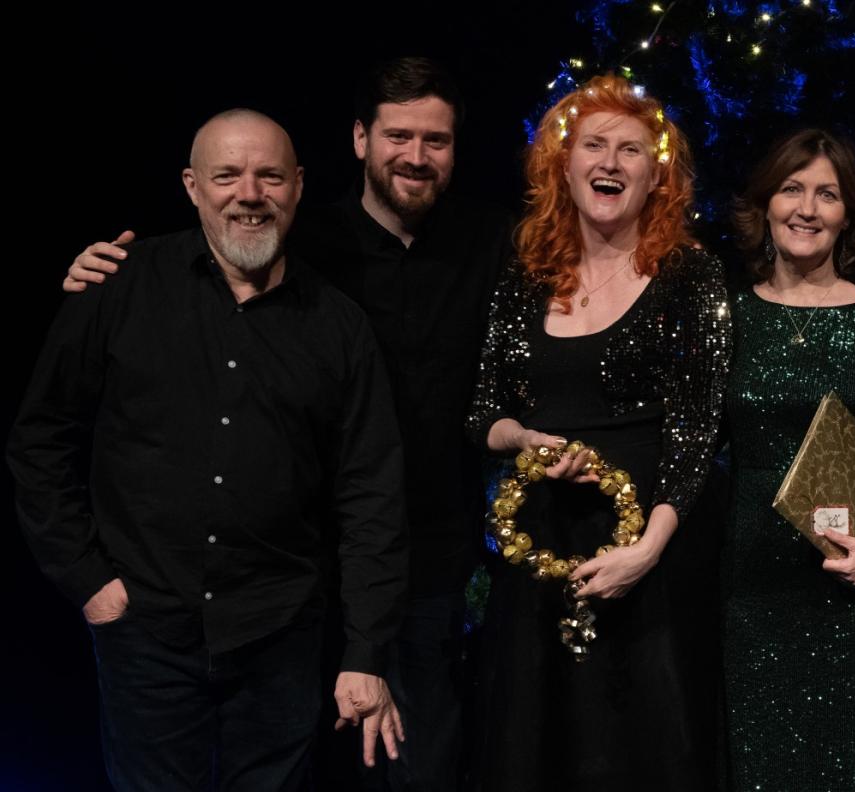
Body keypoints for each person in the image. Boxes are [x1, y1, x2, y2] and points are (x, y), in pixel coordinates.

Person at [61, 57, 510, 791]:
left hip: (422, 560)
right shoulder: (298, 238)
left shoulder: (494, 245)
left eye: (438, 140)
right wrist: (95, 274)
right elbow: (201, 259)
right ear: (361, 139)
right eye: (400, 136)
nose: (417, 156)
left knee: (416, 766)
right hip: (289, 575)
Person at [9, 109, 407, 791]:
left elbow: (370, 491)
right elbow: (40, 440)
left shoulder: (339, 326)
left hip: (280, 635)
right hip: (146, 633)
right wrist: (87, 582)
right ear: (193, 186)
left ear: (298, 186)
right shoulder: (118, 285)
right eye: (227, 175)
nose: (249, 193)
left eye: (269, 176)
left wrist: (365, 648)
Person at [464, 74, 729, 790]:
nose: (611, 162)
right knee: (536, 740)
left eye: (631, 150)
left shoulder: (689, 275)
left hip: (652, 557)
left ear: (657, 173)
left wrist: (646, 551)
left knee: (646, 743)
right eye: (595, 145)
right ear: (564, 162)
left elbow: (697, 429)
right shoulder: (524, 275)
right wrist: (524, 441)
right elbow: (484, 411)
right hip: (542, 545)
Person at [723, 128, 855, 790]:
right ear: (765, 205)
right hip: (754, 588)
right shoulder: (730, 318)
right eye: (792, 189)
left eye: (828, 194)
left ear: (849, 215)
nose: (807, 209)